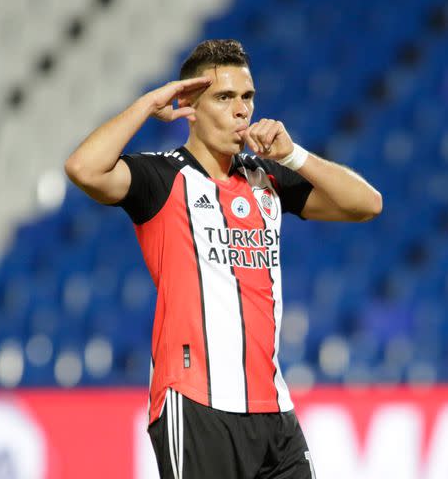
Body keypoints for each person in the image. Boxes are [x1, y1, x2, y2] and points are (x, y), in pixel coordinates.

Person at [64, 39, 382, 478]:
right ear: (189, 104)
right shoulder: (161, 177)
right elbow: (84, 168)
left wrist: (294, 155)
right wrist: (146, 104)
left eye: (247, 97)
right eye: (224, 97)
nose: (241, 110)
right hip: (197, 405)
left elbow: (367, 204)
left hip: (274, 410)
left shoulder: (265, 178)